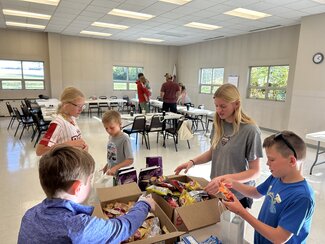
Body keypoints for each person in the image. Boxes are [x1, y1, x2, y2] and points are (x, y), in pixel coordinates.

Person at [18, 145, 155, 243]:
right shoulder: (79, 227)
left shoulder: (29, 215)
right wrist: (144, 204)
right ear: (77, 188)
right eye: (90, 179)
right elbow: (123, 227)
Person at [174, 83, 263, 208]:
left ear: (236, 104)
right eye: (216, 106)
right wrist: (192, 162)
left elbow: (255, 171)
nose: (218, 110)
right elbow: (213, 152)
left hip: (238, 195)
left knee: (232, 227)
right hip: (218, 190)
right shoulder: (218, 125)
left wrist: (226, 179)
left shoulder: (250, 130)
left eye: (223, 106)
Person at [222, 131, 315, 243]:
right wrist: (233, 183)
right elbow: (256, 193)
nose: (267, 163)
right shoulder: (277, 177)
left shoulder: (302, 197)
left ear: (291, 161)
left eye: (271, 159)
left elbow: (279, 238)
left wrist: (241, 211)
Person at [36, 86, 88, 156]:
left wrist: (84, 146)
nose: (81, 110)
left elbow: (75, 140)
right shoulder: (58, 124)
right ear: (66, 105)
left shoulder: (72, 118)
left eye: (83, 106)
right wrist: (67, 144)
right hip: (63, 165)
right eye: (79, 106)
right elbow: (40, 151)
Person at [101, 110, 133, 176]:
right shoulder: (110, 137)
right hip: (111, 172)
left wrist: (115, 168)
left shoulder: (125, 138)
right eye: (106, 128)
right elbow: (112, 156)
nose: (109, 131)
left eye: (112, 128)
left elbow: (130, 160)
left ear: (120, 124)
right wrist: (106, 166)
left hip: (121, 174)